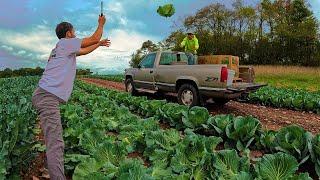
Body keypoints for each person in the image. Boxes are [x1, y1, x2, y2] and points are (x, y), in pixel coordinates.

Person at [31, 15, 110, 180]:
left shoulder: (60, 48)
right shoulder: (66, 43)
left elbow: (84, 51)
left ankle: (53, 171)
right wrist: (100, 24)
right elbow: (94, 37)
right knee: (56, 143)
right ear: (68, 33)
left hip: (44, 95)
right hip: (47, 96)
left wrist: (99, 44)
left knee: (54, 140)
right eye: (74, 31)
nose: (75, 34)